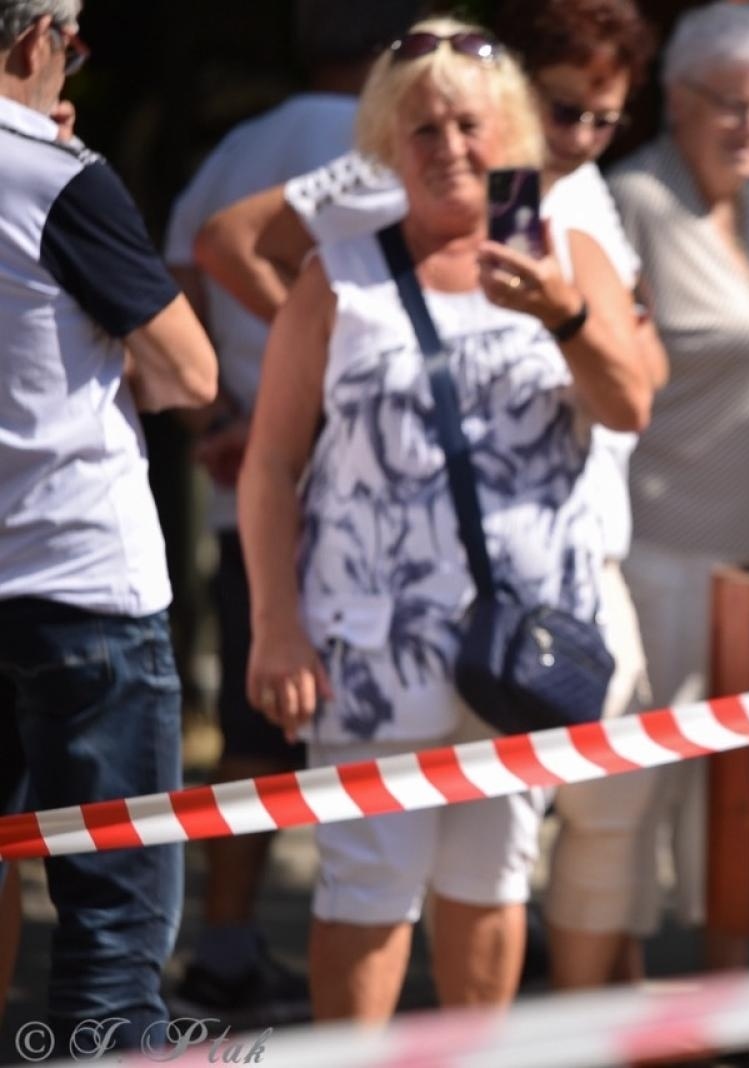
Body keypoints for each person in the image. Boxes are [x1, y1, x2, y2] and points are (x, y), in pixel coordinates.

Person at [193, 0, 669, 992]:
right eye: (423, 128)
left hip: (523, 642)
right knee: (367, 893)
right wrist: (275, 627)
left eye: (470, 125)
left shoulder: (564, 253)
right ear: (386, 144)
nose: (449, 146)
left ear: (511, 132)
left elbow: (628, 405)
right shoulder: (339, 278)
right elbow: (273, 465)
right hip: (370, 638)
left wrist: (568, 315)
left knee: (492, 886)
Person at [162, 0, 422, 1021]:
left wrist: (221, 397)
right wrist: (340, 334)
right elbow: (225, 248)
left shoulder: (242, 142)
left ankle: (226, 943)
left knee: (253, 729)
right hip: (353, 481)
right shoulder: (379, 149)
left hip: (247, 472)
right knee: (372, 728)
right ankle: (377, 962)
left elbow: (179, 262)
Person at [0, 0, 218, 1050]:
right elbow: (190, 372)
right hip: (80, 583)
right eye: (72, 40)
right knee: (112, 928)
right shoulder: (55, 177)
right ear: (35, 37)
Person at [606, 0, 749, 946]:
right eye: (730, 104)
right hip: (659, 552)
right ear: (677, 98)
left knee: (735, 803)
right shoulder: (635, 202)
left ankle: (713, 1009)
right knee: (635, 800)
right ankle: (608, 1000)